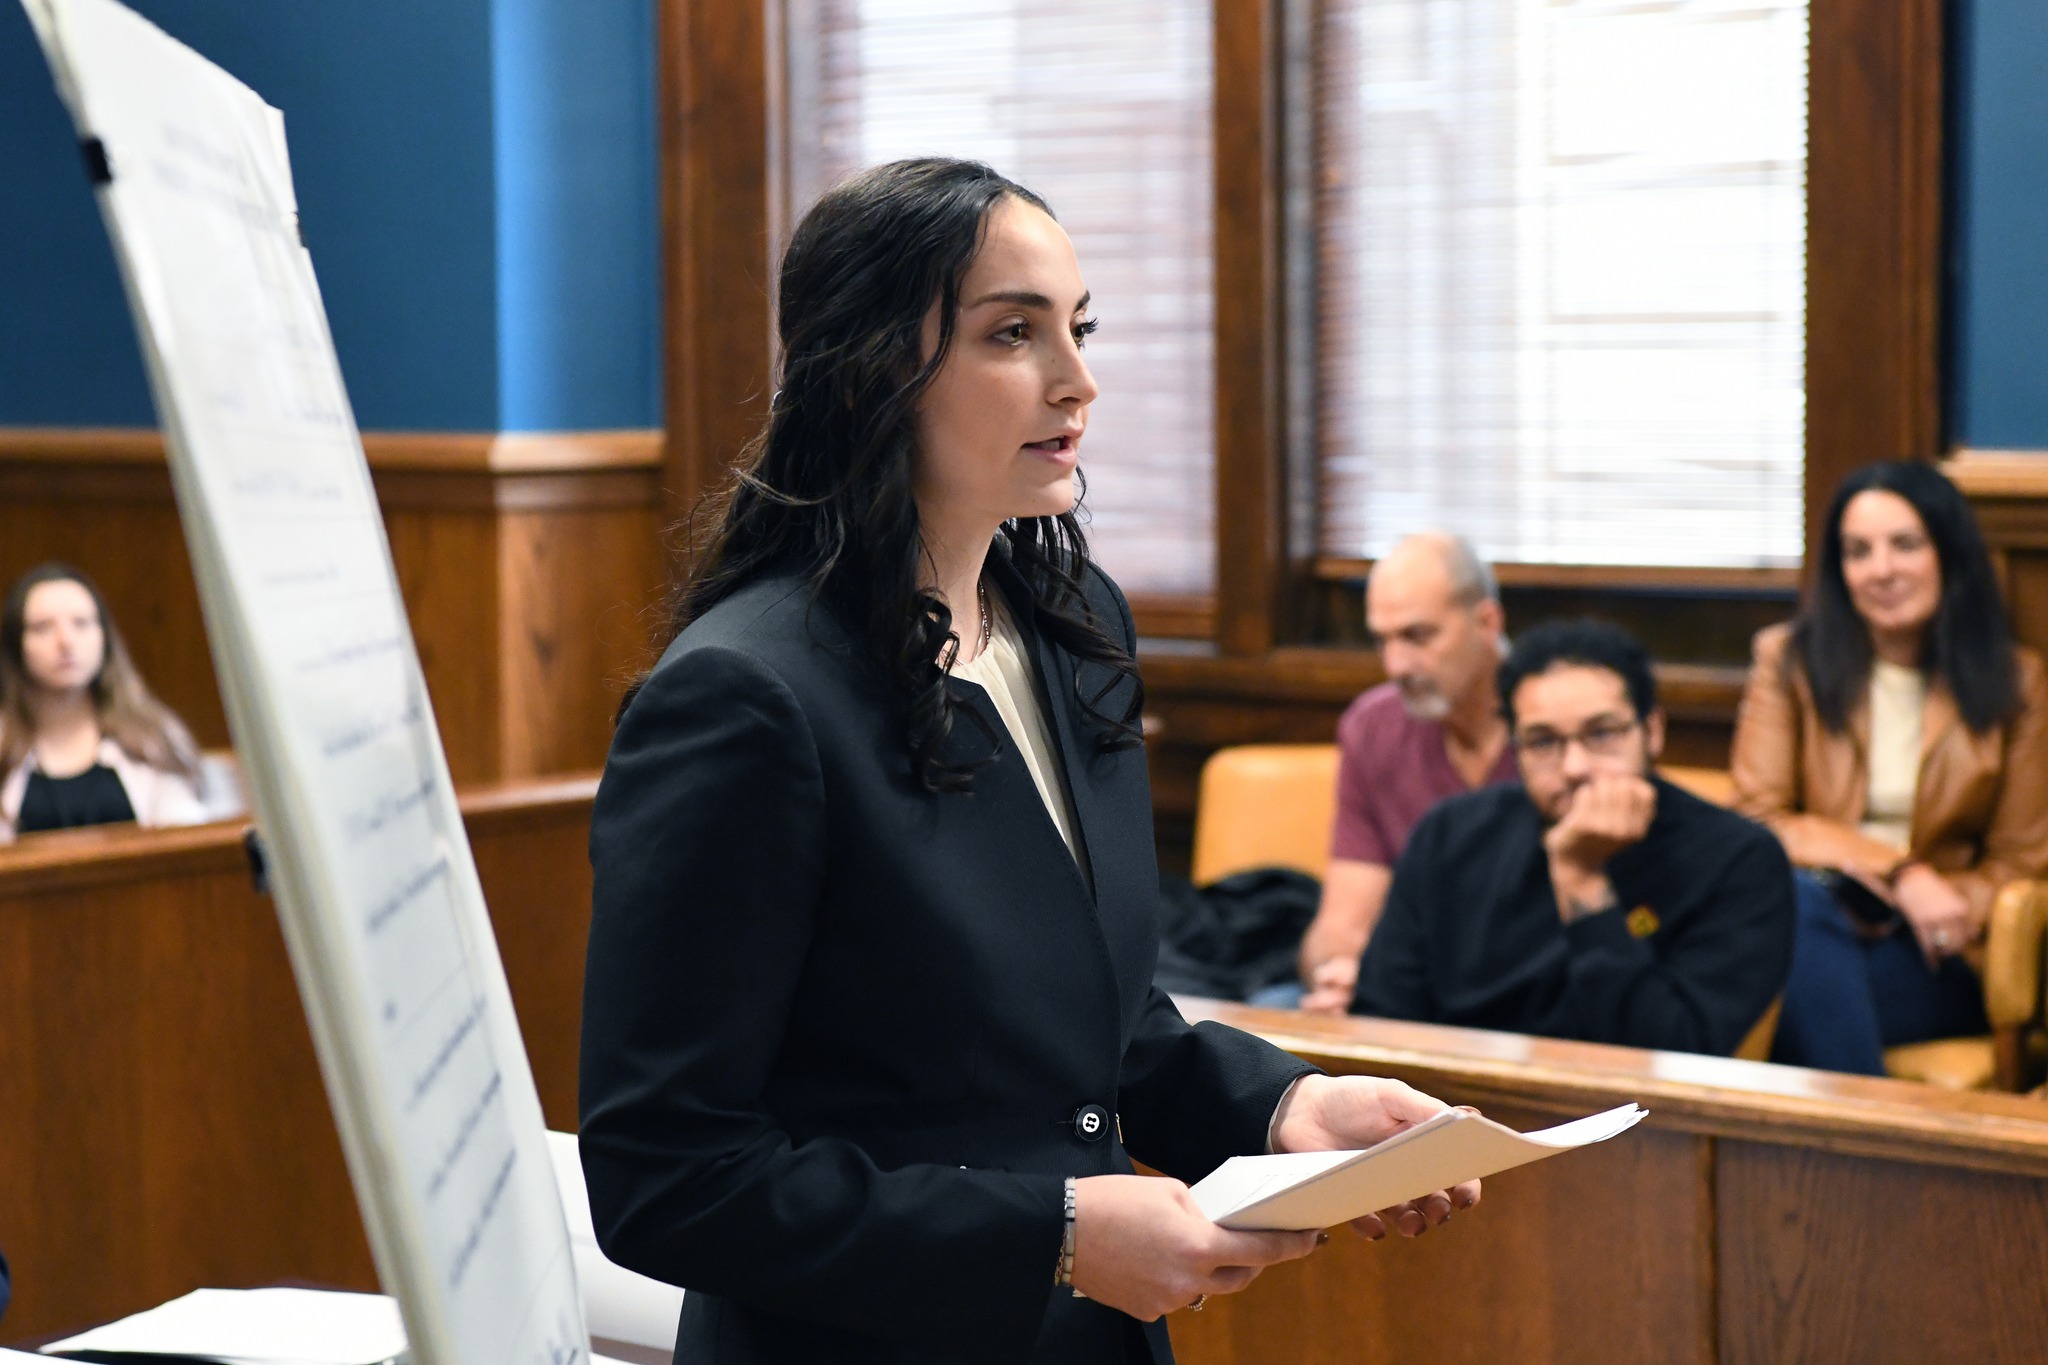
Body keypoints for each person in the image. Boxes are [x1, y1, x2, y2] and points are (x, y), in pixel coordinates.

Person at [578, 159, 1480, 1365]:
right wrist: (1050, 1236)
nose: (1077, 380)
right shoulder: (743, 698)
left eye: (1078, 326)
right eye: (1013, 334)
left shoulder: (1073, 622)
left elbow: (1096, 1035)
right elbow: (668, 1176)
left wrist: (1281, 1107)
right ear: (870, 371)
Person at [1730, 462, 2048, 1075]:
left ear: (1948, 554)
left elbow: (2023, 860)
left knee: (1780, 997)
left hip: (1940, 950)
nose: (1881, 570)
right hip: (1816, 913)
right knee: (1798, 910)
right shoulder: (1787, 662)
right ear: (1839, 570)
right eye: (1858, 552)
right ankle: (1870, 1160)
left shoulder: (2017, 681)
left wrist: (1937, 905)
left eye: (1905, 545)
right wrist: (1900, 873)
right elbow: (1756, 818)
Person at [1351, 619, 1794, 1055]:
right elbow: (1380, 1017)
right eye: (1542, 742)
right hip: (1450, 1109)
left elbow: (1672, 1053)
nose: (1575, 767)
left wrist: (1583, 881)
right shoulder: (1449, 835)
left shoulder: (1739, 860)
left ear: (1653, 731)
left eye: (1601, 734)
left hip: (1636, 1121)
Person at [1291, 532, 1514, 1014]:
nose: (1395, 665)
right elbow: (1342, 925)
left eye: (1417, 636)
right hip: (1406, 1003)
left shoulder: (1559, 725)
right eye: (1382, 640)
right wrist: (1341, 971)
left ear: (1487, 622)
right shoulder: (1374, 727)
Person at [0, 563, 209, 842]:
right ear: (16, 645)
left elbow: (189, 842)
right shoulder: (3, 744)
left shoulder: (151, 736)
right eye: (43, 628)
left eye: (81, 623)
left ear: (104, 637)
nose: (66, 641)